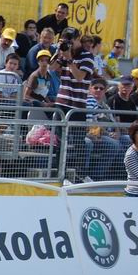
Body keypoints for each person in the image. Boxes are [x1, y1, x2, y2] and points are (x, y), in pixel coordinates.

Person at [50, 27, 94, 180]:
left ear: (77, 39)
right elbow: (51, 68)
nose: (68, 43)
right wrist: (59, 52)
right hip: (62, 102)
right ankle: (59, 174)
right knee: (59, 141)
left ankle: (80, 174)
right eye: (65, 40)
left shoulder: (87, 56)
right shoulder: (64, 53)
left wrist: (69, 59)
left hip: (78, 106)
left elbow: (79, 76)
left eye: (70, 40)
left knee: (78, 142)